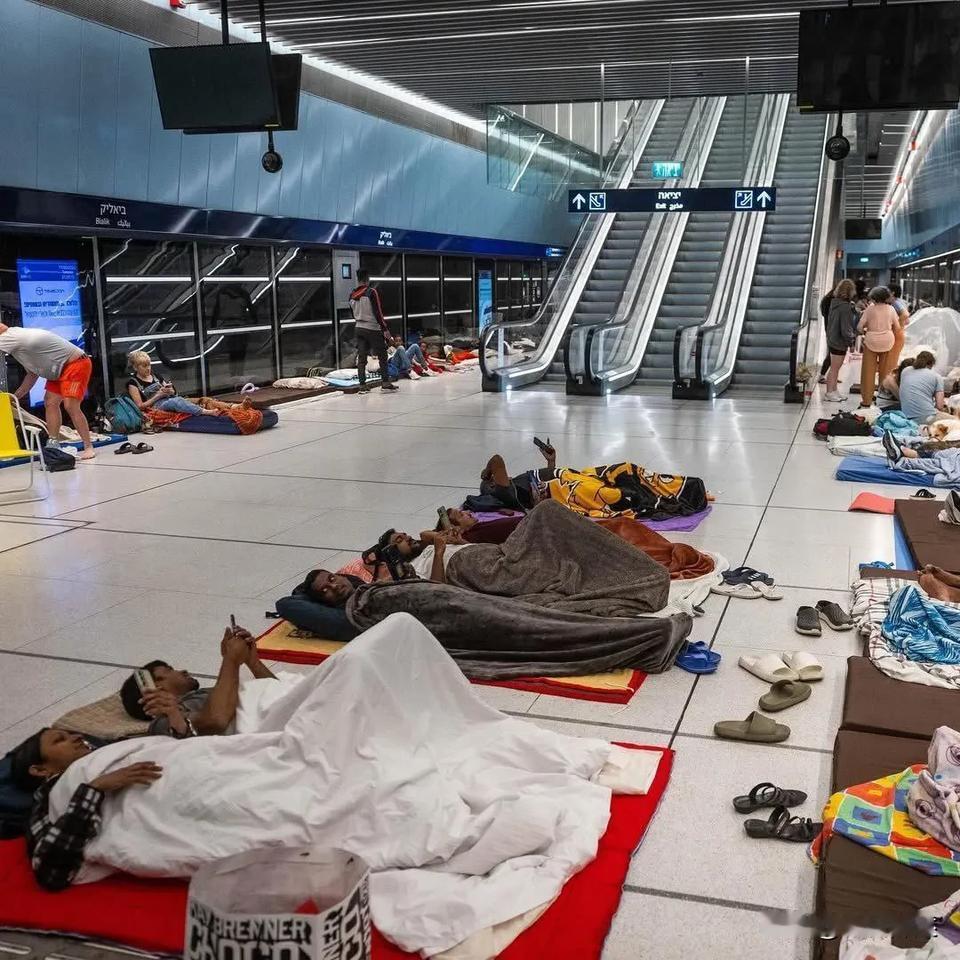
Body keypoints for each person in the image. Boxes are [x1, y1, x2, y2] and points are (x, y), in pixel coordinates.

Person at [475, 441, 710, 520]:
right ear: (493, 486)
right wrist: (486, 473)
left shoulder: (518, 487)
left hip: (578, 475)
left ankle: (681, 488)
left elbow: (546, 480)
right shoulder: (505, 491)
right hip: (572, 489)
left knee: (627, 469)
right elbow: (497, 460)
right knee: (616, 495)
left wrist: (551, 461)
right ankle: (674, 496)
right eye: (495, 480)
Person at [118, 625, 275, 737]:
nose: (183, 671)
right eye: (170, 670)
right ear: (157, 687)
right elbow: (217, 721)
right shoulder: (163, 722)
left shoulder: (203, 695)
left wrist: (252, 662)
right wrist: (231, 659)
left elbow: (278, 691)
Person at [0, 322, 95, 460]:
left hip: (75, 364)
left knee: (70, 405)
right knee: (50, 403)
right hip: (58, 370)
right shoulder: (18, 347)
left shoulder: (9, 337)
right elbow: (32, 375)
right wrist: (15, 397)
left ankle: (88, 446)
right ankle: (53, 443)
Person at [348, 270, 398, 393]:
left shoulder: (351, 295)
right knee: (382, 355)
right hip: (372, 328)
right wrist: (385, 329)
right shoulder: (371, 292)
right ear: (367, 279)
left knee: (362, 358)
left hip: (359, 328)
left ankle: (362, 385)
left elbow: (352, 313)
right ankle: (385, 383)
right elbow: (378, 312)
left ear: (358, 279)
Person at [857, 286, 901, 407]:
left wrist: (865, 332)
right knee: (885, 371)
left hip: (871, 341)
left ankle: (866, 400)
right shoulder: (891, 309)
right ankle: (882, 398)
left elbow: (859, 327)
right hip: (887, 341)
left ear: (874, 297)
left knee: (868, 372)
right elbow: (897, 328)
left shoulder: (870, 309)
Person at [824, 279, 858, 401]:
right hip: (839, 341)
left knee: (835, 368)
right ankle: (829, 392)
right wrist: (851, 343)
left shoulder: (834, 303)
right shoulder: (845, 307)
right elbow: (846, 328)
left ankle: (834, 390)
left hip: (832, 338)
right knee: (834, 368)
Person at [899, 351, 947, 423]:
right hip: (927, 417)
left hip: (906, 417)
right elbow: (940, 406)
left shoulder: (905, 371)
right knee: (955, 420)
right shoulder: (937, 377)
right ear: (931, 364)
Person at [887, 283, 911, 369]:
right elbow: (907, 321)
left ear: (892, 292)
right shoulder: (899, 302)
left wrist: (897, 325)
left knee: (891, 361)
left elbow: (906, 315)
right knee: (892, 360)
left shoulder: (895, 302)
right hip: (899, 334)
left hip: (896, 334)